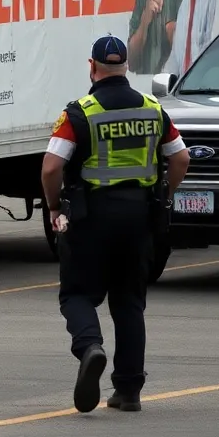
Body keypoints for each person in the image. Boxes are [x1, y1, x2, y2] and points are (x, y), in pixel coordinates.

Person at [41, 34, 189, 413]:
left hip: (92, 217)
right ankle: (128, 391)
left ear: (92, 67)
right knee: (128, 303)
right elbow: (181, 158)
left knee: (76, 294)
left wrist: (55, 207)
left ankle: (90, 346)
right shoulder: (152, 108)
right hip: (140, 217)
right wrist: (163, 196)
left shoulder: (80, 112)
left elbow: (52, 167)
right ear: (125, 67)